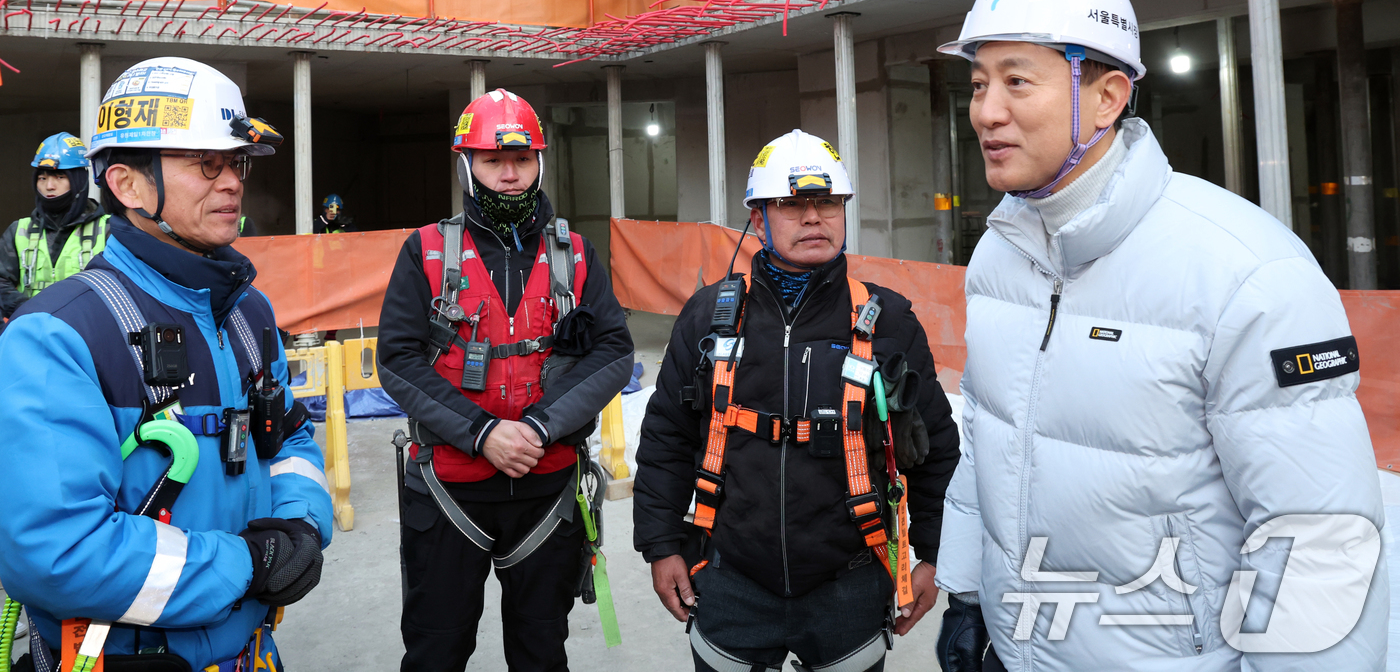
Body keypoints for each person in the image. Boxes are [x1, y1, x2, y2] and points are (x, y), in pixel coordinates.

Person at [932, 0, 1388, 672]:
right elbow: (993, 437)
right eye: (980, 82)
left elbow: (1316, 541)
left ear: (1109, 96)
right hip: (1011, 646)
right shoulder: (999, 258)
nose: (987, 110)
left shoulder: (1244, 272)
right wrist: (964, 595)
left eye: (1017, 80)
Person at [0, 57, 333, 672]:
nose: (232, 182)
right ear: (127, 185)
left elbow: (291, 438)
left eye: (237, 163)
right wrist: (246, 563)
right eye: (207, 163)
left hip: (253, 655)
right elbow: (55, 552)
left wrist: (302, 529)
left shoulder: (248, 313)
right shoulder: (59, 335)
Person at [634, 129, 961, 672]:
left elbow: (938, 450)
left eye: (827, 202)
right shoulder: (709, 319)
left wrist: (933, 555)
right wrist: (662, 543)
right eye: (792, 204)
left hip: (850, 582)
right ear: (758, 219)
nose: (814, 218)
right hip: (731, 578)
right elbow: (666, 436)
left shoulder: (890, 322)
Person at [377, 87, 634, 672]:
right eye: (493, 161)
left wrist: (542, 426)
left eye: (522, 160)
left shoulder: (577, 256)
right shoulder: (425, 252)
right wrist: (482, 431)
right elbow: (396, 359)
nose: (510, 174)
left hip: (547, 494)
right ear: (468, 165)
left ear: (540, 161)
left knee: (541, 652)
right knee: (435, 651)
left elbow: (615, 352)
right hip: (448, 491)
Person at [0, 132, 109, 322]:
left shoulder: (108, 229)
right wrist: (31, 311)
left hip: (87, 331)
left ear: (78, 181)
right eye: (42, 178)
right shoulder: (19, 230)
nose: (49, 186)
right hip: (29, 330)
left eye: (59, 177)